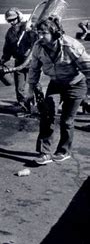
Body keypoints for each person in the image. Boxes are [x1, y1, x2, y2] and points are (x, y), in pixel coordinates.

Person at [26, 15, 90, 165]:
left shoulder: (71, 46)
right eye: (38, 33)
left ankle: (63, 150)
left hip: (76, 84)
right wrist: (30, 89)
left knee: (67, 120)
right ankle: (45, 153)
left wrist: (89, 94)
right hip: (56, 83)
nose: (40, 36)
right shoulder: (38, 46)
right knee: (47, 114)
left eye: (44, 33)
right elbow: (34, 69)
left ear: (54, 32)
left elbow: (88, 70)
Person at [0, 8, 38, 110]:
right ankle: (24, 106)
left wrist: (32, 30)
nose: (12, 22)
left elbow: (37, 40)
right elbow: (7, 47)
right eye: (9, 20)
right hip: (19, 62)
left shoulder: (27, 27)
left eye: (13, 19)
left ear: (18, 17)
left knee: (35, 85)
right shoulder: (10, 32)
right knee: (20, 87)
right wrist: (4, 59)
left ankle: (39, 106)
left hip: (32, 61)